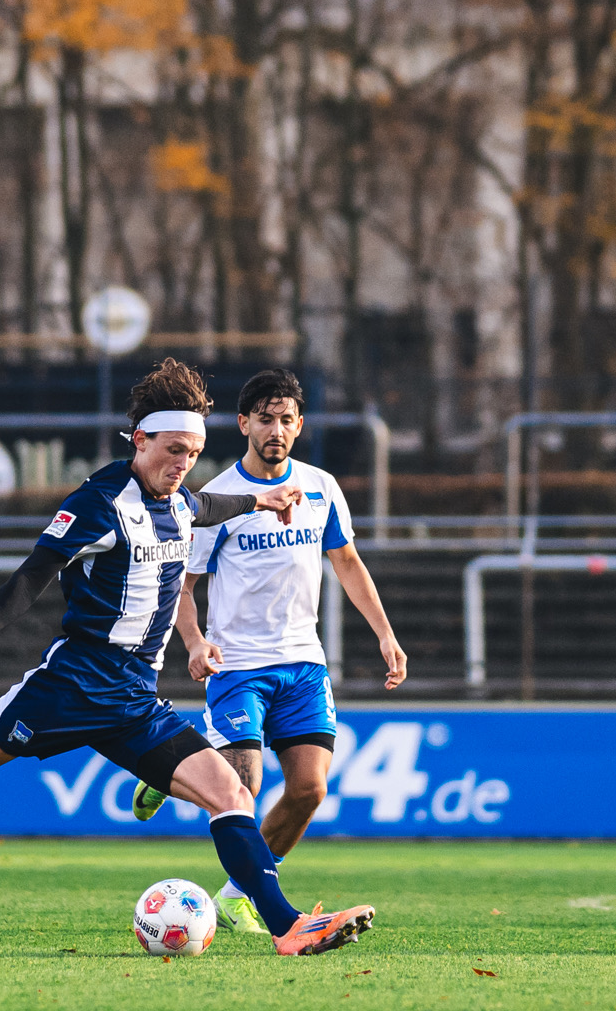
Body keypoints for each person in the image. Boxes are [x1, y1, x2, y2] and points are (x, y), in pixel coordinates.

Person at [0, 359, 375, 958]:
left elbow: (205, 507)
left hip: (136, 699)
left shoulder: (180, 500)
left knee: (231, 795)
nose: (182, 465)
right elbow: (36, 572)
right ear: (140, 440)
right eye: (172, 450)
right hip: (74, 685)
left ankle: (288, 927)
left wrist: (259, 500)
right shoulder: (99, 501)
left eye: (193, 453)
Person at [129, 370, 408, 937]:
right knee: (244, 789)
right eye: (264, 418)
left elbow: (347, 563)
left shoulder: (322, 488)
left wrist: (384, 632)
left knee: (309, 790)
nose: (275, 429)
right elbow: (183, 581)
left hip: (304, 664)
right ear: (243, 424)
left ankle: (237, 896)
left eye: (286, 419)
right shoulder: (223, 500)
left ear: (299, 425)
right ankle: (179, 757)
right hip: (238, 666)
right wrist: (194, 642)